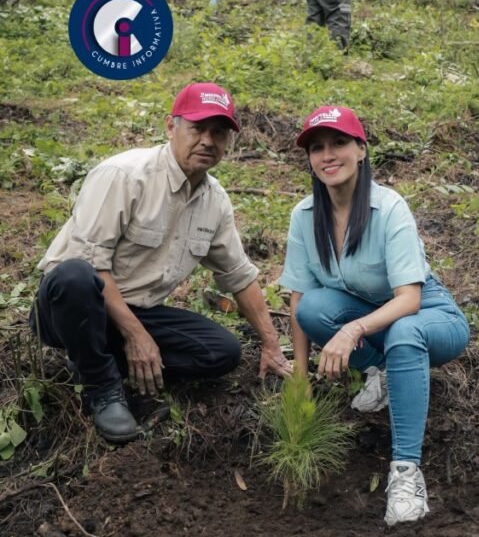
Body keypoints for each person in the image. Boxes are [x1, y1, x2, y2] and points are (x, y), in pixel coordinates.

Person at [30, 83, 292, 445]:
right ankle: (102, 388)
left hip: (138, 310)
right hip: (72, 308)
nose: (207, 141)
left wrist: (271, 345)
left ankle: (99, 358)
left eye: (218, 132)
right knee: (74, 276)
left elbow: (239, 276)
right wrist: (137, 336)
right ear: (171, 127)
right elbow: (90, 263)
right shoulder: (124, 175)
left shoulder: (215, 201)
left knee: (222, 352)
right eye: (197, 128)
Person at [280, 106, 470, 525]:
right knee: (313, 309)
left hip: (430, 315)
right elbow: (299, 298)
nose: (328, 155)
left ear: (361, 149)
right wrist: (300, 375)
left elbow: (409, 299)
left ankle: (406, 473)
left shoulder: (389, 208)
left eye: (339, 143)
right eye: (317, 148)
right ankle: (387, 371)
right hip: (370, 315)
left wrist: (353, 330)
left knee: (405, 332)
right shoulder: (304, 216)